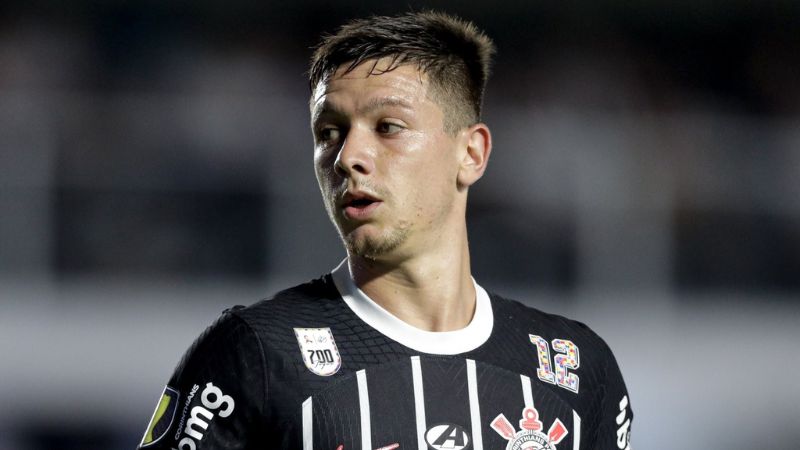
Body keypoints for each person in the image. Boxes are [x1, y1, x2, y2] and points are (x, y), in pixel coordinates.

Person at [136, 11, 633, 450]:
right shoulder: (256, 354)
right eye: (329, 132)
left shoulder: (576, 370)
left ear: (472, 154)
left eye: (388, 127)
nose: (348, 157)